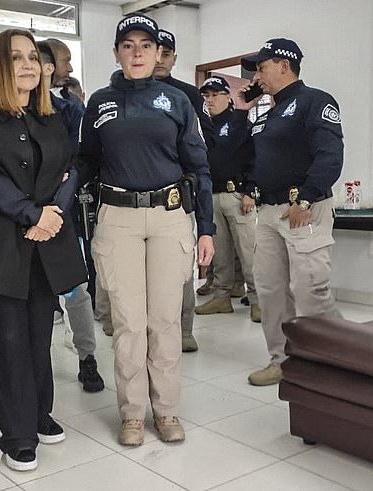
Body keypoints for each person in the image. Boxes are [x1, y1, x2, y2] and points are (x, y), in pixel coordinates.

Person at [76, 14, 215, 446]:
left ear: (158, 54)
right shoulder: (99, 102)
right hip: (118, 219)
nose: (137, 52)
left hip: (170, 216)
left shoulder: (176, 102)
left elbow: (198, 167)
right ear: (116, 52)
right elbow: (87, 161)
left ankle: (167, 411)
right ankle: (133, 414)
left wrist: (206, 228)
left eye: (146, 45)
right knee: (129, 323)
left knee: (165, 321)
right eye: (128, 45)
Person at [0, 29, 88, 471]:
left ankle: (39, 414)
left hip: (46, 242)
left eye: (33, 57)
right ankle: (16, 434)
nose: (28, 64)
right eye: (16, 58)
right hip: (0, 242)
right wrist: (34, 215)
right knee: (8, 339)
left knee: (38, 335)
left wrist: (53, 216)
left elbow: (71, 170)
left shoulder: (54, 117)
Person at [237, 38, 344, 386]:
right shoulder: (266, 115)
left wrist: (306, 199)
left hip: (303, 209)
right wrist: (242, 108)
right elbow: (248, 158)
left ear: (284, 65)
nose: (256, 75)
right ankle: (282, 360)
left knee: (311, 289)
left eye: (262, 67)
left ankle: (334, 360)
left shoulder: (315, 102)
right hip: (269, 212)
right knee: (270, 291)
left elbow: (330, 155)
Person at [37, 40, 105, 393]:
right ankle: (32, 368)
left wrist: (59, 205)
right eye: (65, 61)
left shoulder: (70, 111)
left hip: (62, 214)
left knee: (76, 290)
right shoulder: (5, 110)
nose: (69, 67)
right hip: (22, 215)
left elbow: (79, 163)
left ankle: (87, 358)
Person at [154, 28, 215, 352]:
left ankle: (185, 328)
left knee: (181, 269)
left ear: (175, 58)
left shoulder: (189, 95)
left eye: (167, 53)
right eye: (156, 51)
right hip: (137, 199)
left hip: (178, 195)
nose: (160, 59)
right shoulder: (127, 92)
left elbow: (205, 144)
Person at [194, 76, 261, 322]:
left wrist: (250, 191)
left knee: (248, 252)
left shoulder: (240, 121)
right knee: (220, 252)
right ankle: (221, 296)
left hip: (237, 195)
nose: (210, 100)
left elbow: (253, 157)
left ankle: (258, 300)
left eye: (215, 95)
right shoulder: (203, 125)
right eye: (206, 96)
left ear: (227, 96)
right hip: (211, 195)